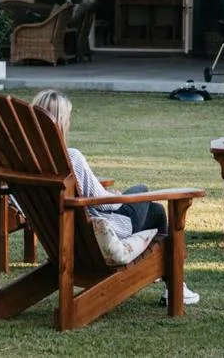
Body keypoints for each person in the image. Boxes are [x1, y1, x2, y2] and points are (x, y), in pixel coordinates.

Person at [30, 89, 199, 305]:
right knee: (141, 190)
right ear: (61, 122)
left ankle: (170, 277)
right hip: (96, 238)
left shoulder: (23, 164)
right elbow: (102, 200)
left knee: (156, 211)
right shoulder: (70, 158)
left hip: (59, 237)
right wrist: (115, 196)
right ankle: (175, 285)